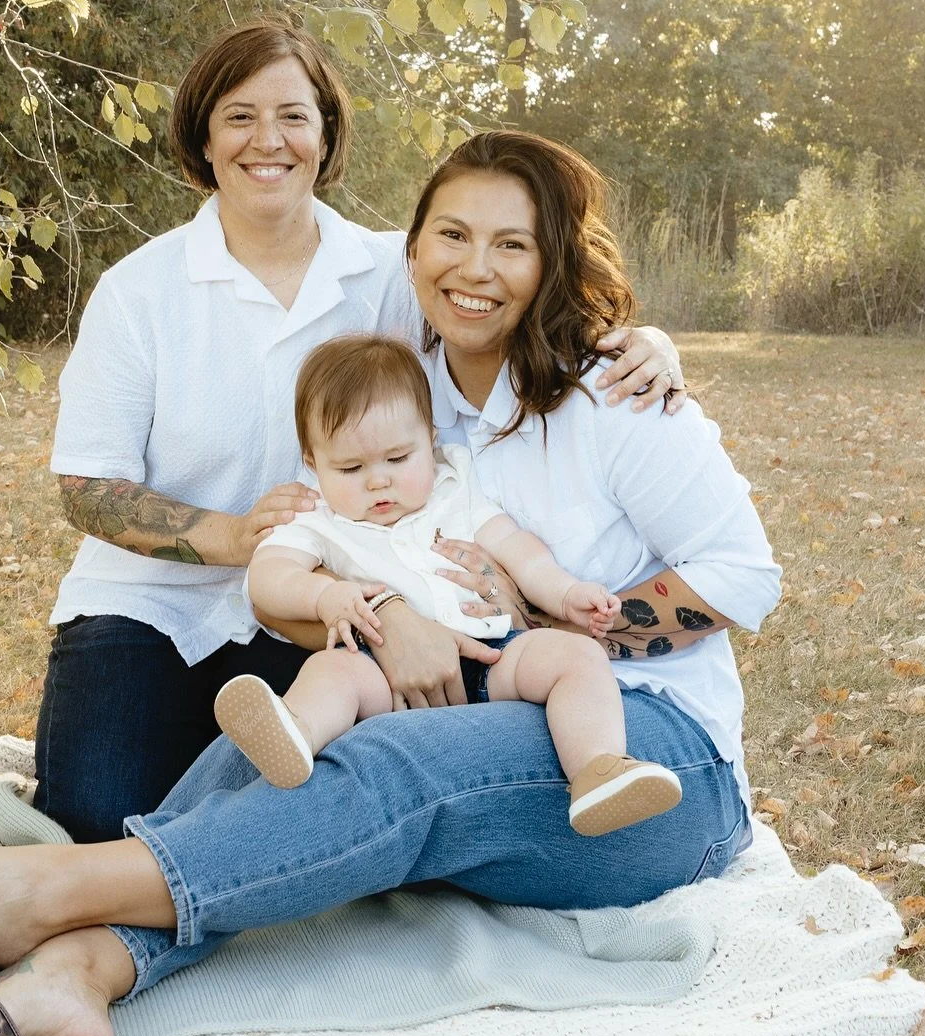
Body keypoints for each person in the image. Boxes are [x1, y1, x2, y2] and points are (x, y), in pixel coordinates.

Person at [0, 127, 780, 1036]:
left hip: (653, 765)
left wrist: (544, 626)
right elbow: (317, 578)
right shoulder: (410, 398)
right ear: (410, 249)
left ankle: (40, 893)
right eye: (452, 235)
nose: (475, 268)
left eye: (513, 244)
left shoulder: (616, 396)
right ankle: (71, 979)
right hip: (481, 717)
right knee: (286, 743)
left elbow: (743, 575)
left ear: (553, 263)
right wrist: (390, 614)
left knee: (387, 761)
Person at [33, 19, 685, 839]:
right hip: (150, 608)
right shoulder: (138, 291)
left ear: (327, 133)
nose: (268, 140)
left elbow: (510, 312)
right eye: (239, 116)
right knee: (95, 819)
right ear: (202, 135)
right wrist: (236, 537)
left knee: (305, 822)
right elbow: (87, 487)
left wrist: (646, 341)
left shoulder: (391, 273)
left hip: (336, 601)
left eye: (293, 116)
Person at [221, 334, 683, 837]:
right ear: (313, 461)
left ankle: (598, 768)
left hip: (492, 656)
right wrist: (324, 595)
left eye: (399, 458)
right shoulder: (317, 517)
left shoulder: (454, 485)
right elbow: (267, 577)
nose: (378, 481)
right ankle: (298, 733)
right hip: (384, 675)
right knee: (330, 670)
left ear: (431, 439)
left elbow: (516, 546)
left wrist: (565, 593)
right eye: (350, 468)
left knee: (578, 657)